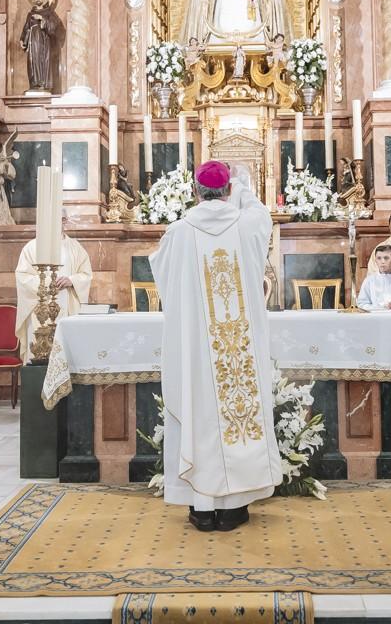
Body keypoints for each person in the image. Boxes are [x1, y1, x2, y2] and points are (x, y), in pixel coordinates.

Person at [150, 161, 281, 533]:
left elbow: (163, 279)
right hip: (238, 349)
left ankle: (201, 508)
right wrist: (241, 186)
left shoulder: (178, 232)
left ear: (195, 191)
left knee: (199, 415)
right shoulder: (249, 223)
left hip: (195, 349)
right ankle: (233, 507)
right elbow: (261, 213)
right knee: (237, 416)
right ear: (226, 191)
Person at [14, 212, 93, 359]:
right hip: (40, 310)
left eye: (61, 220)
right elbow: (22, 278)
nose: (57, 224)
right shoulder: (32, 247)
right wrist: (47, 284)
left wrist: (72, 280)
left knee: (67, 355)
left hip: (68, 308)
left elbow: (86, 274)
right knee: (40, 355)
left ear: (65, 221)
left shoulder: (75, 248)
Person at [358, 245, 391, 312]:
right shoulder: (369, 281)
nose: (382, 261)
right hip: (375, 318)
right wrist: (378, 309)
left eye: (386, 258)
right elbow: (361, 304)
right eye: (379, 258)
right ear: (375, 261)